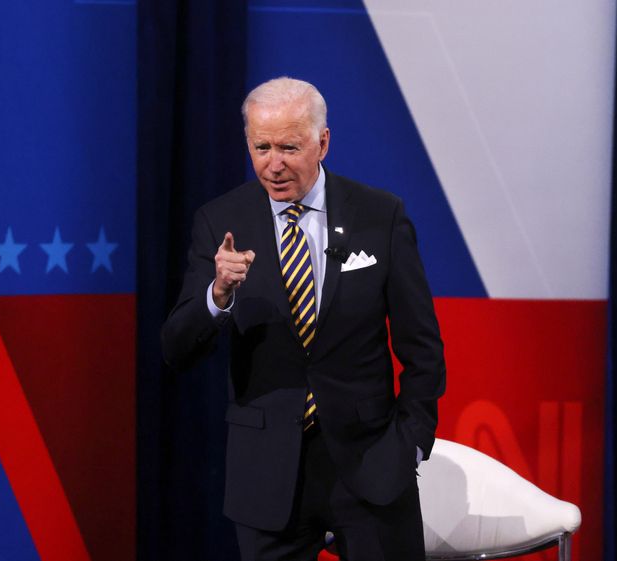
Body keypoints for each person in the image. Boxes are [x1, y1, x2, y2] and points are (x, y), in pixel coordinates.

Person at [161, 77, 446, 561]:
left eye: (289, 147)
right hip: (268, 473)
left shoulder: (380, 215)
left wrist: (411, 444)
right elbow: (176, 348)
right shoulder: (220, 221)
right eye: (262, 147)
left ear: (323, 142)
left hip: (371, 465)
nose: (274, 164)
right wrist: (218, 293)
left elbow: (423, 347)